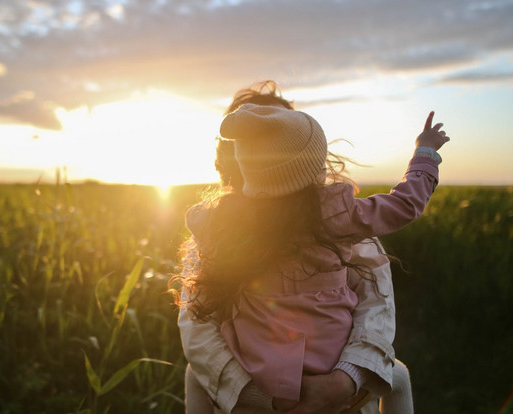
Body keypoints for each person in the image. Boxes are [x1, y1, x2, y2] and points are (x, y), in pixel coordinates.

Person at [175, 81, 446, 413]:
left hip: (270, 373)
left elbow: (376, 304)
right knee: (398, 375)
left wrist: (338, 384)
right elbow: (404, 205)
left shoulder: (222, 224)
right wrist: (425, 156)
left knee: (194, 375)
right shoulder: (339, 214)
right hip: (321, 369)